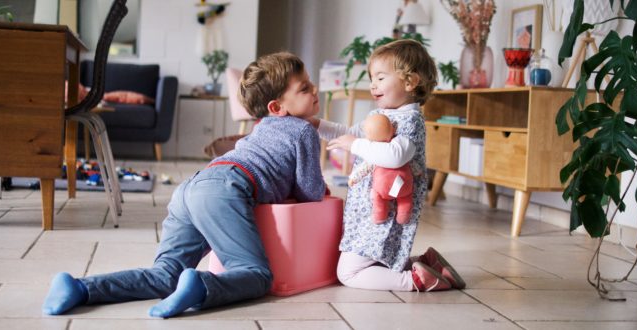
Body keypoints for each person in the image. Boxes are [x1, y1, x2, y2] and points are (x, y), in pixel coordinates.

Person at [42, 52, 327, 318]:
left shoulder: (259, 129)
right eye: (304, 88)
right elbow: (310, 191)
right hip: (226, 189)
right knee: (256, 274)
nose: (314, 90)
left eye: (310, 84)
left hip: (192, 186)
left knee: (165, 274)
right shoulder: (304, 130)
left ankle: (79, 287)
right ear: (276, 107)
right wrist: (319, 187)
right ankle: (201, 286)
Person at [310, 39, 465, 292]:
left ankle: (414, 280)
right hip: (370, 208)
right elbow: (348, 132)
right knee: (374, 259)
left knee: (348, 272)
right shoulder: (382, 115)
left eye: (380, 78)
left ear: (410, 82)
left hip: (388, 211)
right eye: (372, 78)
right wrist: (317, 124)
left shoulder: (410, 120)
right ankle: (427, 264)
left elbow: (395, 155)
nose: (373, 84)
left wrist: (355, 145)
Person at [347, 113, 414, 225]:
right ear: (393, 129)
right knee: (406, 198)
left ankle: (379, 215)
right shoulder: (397, 145)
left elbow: (364, 169)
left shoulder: (376, 153)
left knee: (377, 197)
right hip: (404, 184)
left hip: (382, 189)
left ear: (369, 139)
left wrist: (353, 178)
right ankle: (403, 215)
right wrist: (418, 172)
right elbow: (412, 163)